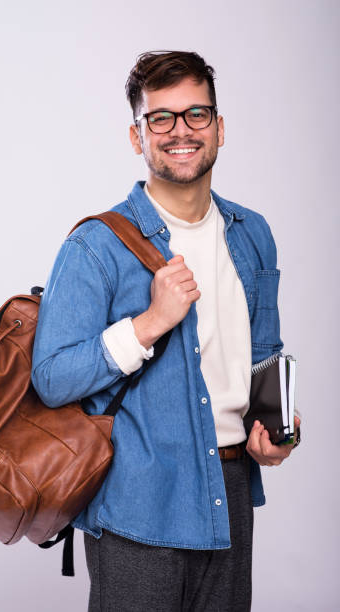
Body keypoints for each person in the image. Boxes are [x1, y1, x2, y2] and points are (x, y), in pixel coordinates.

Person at [31, 50, 301, 612]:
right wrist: (151, 322)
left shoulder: (254, 235)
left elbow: (264, 354)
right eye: (161, 118)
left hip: (230, 491)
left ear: (219, 127)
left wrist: (274, 430)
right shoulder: (95, 246)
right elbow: (51, 378)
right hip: (137, 502)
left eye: (196, 114)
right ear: (138, 136)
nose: (181, 131)